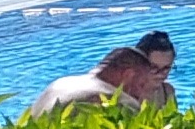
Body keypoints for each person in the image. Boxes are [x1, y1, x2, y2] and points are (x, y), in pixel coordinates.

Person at [29, 41, 168, 118]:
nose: (140, 94)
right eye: (141, 84)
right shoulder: (118, 101)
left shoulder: (60, 83)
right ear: (128, 75)